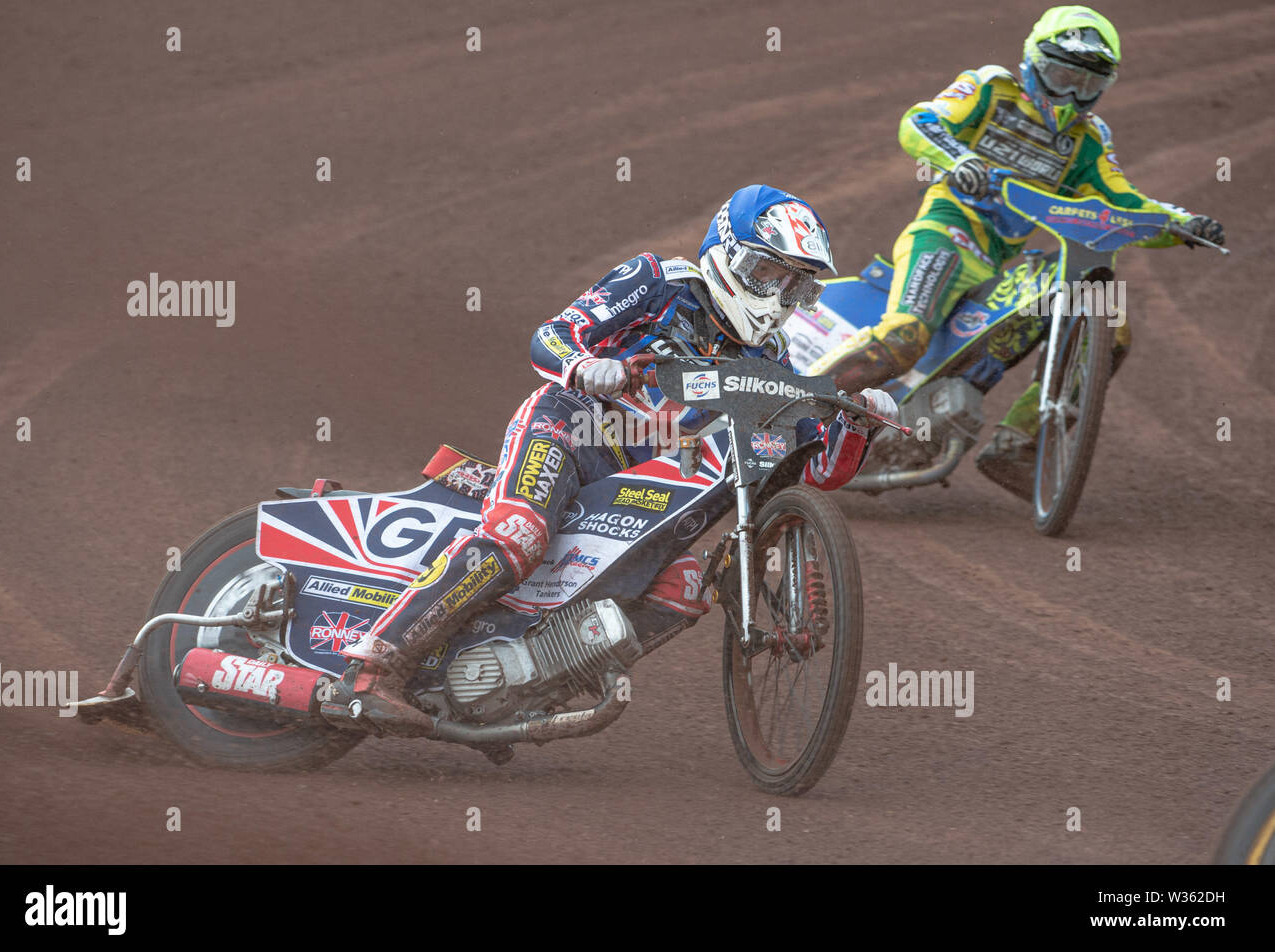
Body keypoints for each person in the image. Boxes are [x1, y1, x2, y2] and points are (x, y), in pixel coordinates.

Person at [332, 185, 897, 726]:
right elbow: (551, 335)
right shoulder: (660, 281)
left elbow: (818, 471)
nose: (776, 294)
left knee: (684, 588)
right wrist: (584, 365)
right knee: (520, 531)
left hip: (637, 483)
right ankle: (375, 665)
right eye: (767, 272)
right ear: (726, 256)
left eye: (794, 284)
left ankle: (521, 688)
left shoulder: (771, 358)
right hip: (570, 428)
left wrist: (856, 422)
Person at [823, 4, 1225, 497]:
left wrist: (1182, 223)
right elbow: (920, 121)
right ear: (1034, 62)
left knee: (1111, 328)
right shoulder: (991, 88)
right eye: (1061, 75)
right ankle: (792, 408)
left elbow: (1127, 205)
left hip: (998, 264)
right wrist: (959, 157)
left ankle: (1019, 443)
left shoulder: (1088, 141)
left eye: (1087, 83)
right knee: (906, 336)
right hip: (945, 233)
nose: (1072, 93)